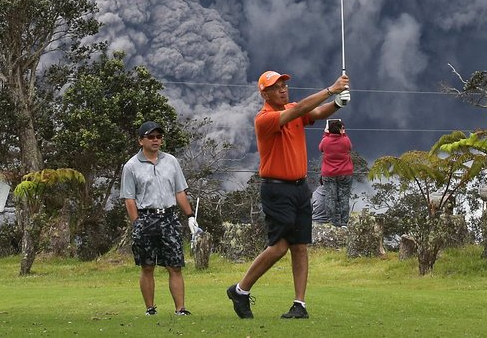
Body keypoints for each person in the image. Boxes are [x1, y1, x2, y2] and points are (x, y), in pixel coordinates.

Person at [227, 70, 350, 320]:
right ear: (264, 93)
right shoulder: (265, 118)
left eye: (284, 85)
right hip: (276, 189)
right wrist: (331, 89)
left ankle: (299, 305)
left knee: (300, 246)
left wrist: (337, 104)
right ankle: (240, 290)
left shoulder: (294, 108)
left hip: (300, 187)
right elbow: (297, 111)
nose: (283, 89)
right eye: (276, 87)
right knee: (279, 247)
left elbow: (314, 113)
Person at [121, 120, 198, 316]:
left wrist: (190, 216)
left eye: (158, 137)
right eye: (151, 137)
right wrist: (136, 223)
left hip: (169, 217)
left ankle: (180, 309)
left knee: (175, 265)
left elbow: (179, 192)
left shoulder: (171, 161)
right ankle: (150, 308)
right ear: (141, 140)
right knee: (147, 266)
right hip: (146, 218)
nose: (156, 140)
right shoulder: (131, 166)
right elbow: (129, 199)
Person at [318, 118, 354, 227]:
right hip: (345, 173)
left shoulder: (325, 141)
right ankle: (344, 223)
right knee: (344, 197)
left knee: (330, 197)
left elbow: (321, 148)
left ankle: (332, 222)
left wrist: (325, 134)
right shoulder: (345, 140)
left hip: (329, 174)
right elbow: (350, 148)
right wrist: (343, 134)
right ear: (340, 130)